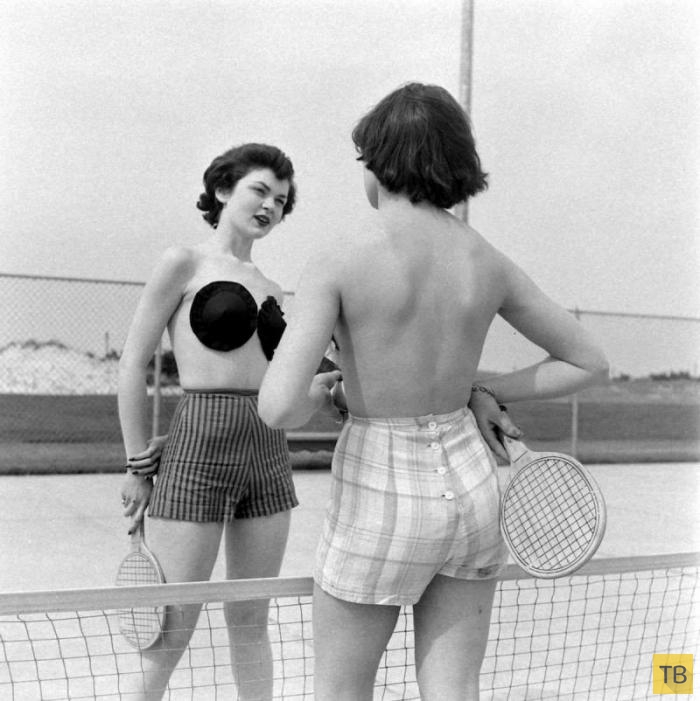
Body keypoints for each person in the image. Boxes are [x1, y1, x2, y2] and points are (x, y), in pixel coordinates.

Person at [258, 82, 609, 701]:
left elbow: (279, 407)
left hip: (378, 488)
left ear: (378, 162)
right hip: (473, 490)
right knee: (454, 688)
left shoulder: (339, 256)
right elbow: (588, 361)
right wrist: (477, 388)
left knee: (341, 690)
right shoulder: (486, 260)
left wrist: (327, 390)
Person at [117, 143, 301, 701]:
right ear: (222, 190)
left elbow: (290, 379)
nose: (270, 206)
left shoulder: (272, 287)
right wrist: (136, 466)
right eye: (260, 190)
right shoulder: (184, 263)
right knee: (171, 627)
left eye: (281, 200)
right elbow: (131, 365)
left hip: (268, 455)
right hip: (197, 451)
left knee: (251, 619)